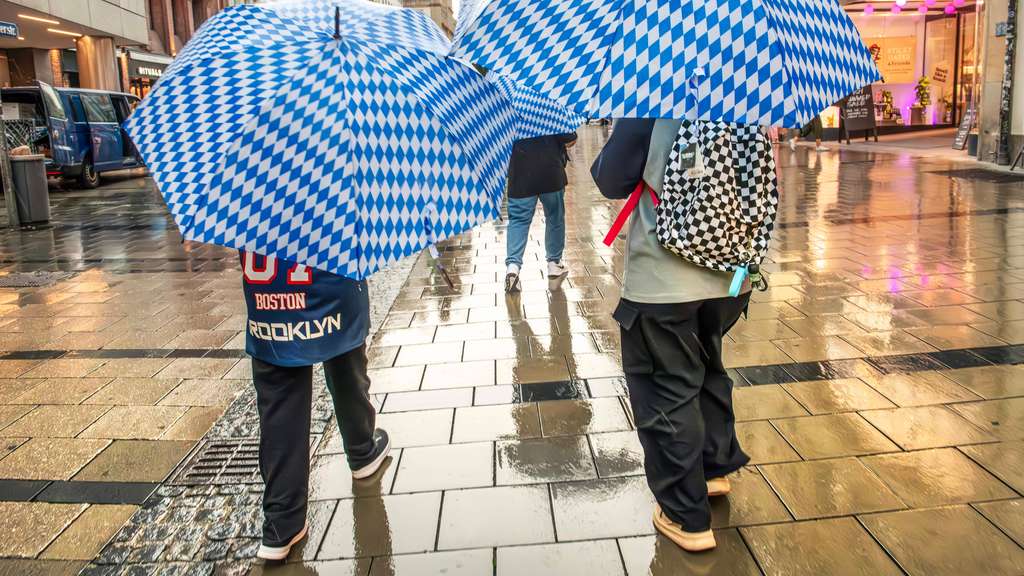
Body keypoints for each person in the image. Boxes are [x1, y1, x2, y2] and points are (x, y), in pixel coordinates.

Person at [592, 120, 752, 553]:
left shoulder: (653, 94)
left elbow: (609, 178)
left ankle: (686, 515)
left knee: (668, 389)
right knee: (707, 369)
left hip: (664, 282)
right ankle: (715, 470)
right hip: (729, 275)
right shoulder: (741, 94)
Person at [241, 251, 390, 561]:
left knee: (280, 399)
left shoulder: (243, 201)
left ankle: (282, 521)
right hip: (330, 278)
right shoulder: (331, 199)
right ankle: (362, 451)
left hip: (270, 295)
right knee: (347, 366)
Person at [504, 131, 578, 293]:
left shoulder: (507, 112)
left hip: (520, 175)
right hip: (550, 171)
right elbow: (570, 139)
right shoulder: (549, 108)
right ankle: (553, 264)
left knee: (518, 221)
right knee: (554, 217)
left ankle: (513, 268)